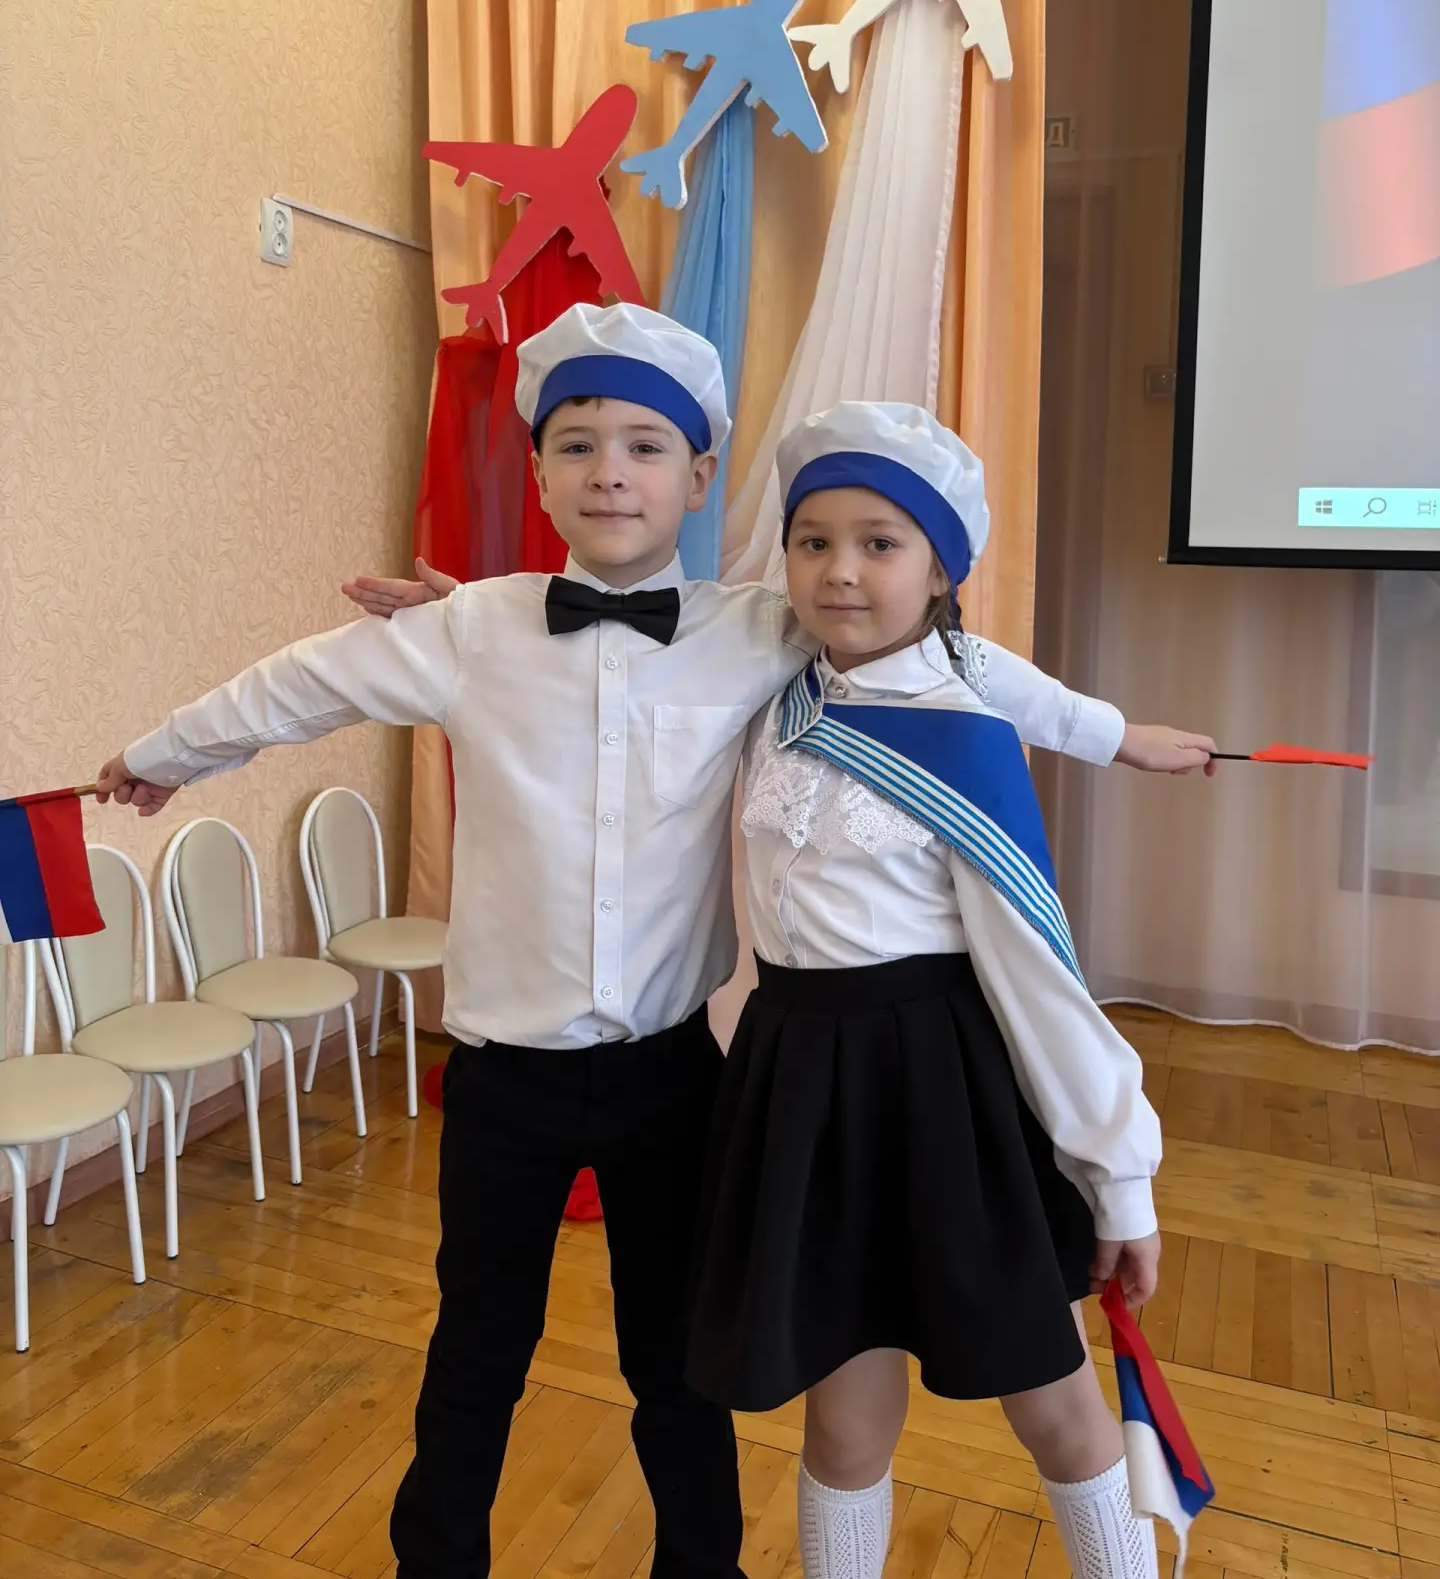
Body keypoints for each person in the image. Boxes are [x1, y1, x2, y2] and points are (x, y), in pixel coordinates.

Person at [95, 305, 1203, 1579]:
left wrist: (1115, 736)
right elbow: (298, 683)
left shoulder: (766, 627)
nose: (610, 472)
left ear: (698, 473)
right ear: (539, 473)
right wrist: (165, 754)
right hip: (504, 1078)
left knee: (680, 1365)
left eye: (644, 446)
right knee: (475, 1353)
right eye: (576, 445)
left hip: (677, 1078)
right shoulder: (472, 630)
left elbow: (945, 654)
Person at [684, 401, 1165, 1579]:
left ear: (942, 569)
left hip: (946, 1095)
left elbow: (1042, 981)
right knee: (844, 1419)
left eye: (881, 543)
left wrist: (1121, 1180)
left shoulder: (964, 738)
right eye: (812, 541)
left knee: (1051, 1399)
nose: (840, 571)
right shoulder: (778, 697)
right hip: (802, 1092)